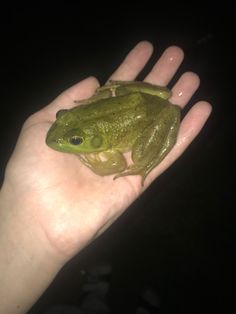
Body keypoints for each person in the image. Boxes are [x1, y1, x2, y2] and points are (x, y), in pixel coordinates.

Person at [0, 41, 212, 314]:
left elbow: (112, 163)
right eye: (63, 118)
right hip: (138, 101)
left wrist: (99, 164)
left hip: (147, 118)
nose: (56, 133)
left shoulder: (104, 143)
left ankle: (144, 163)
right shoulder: (77, 118)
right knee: (134, 93)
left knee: (138, 157)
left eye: (74, 141)